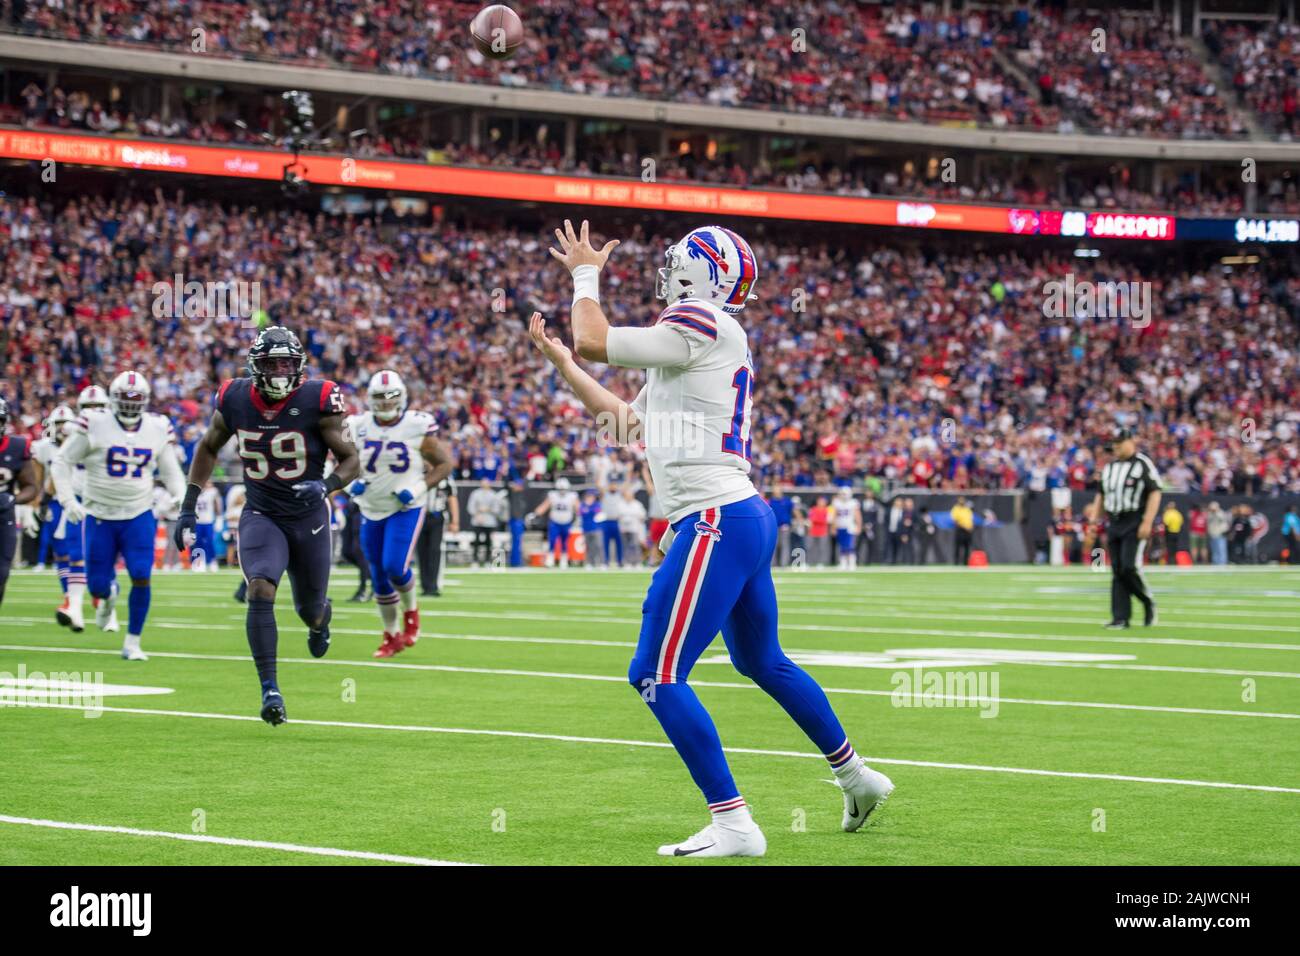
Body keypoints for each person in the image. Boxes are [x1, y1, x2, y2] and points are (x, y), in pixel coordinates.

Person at [529, 219, 891, 858]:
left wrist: (584, 276)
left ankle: (734, 824)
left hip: (715, 516)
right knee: (762, 661)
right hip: (739, 514)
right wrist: (562, 361)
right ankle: (856, 776)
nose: (665, 269)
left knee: (655, 674)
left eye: (677, 260)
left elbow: (594, 338)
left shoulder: (701, 322)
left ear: (701, 273)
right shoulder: (698, 338)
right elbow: (624, 421)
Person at [173, 327, 361, 723]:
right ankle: (270, 689)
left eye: (287, 363)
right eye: (272, 363)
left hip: (309, 516)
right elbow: (208, 446)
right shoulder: (236, 397)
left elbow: (351, 460)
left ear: (299, 367)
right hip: (262, 512)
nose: (279, 371)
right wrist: (188, 506)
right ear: (256, 367)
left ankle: (319, 621)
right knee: (259, 587)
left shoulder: (319, 397)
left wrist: (325, 486)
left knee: (309, 610)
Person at [53, 373, 186, 658]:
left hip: (139, 513)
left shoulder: (157, 427)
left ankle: (133, 642)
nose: (129, 404)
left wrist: (181, 497)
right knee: (98, 586)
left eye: (135, 398)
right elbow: (63, 460)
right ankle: (108, 597)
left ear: (145, 400)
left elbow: (170, 469)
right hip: (99, 513)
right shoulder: (94, 423)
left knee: (141, 573)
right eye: (125, 398)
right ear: (113, 399)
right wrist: (67, 500)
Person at [345, 370, 453, 658]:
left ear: (402, 396)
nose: (385, 402)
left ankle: (412, 613)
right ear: (370, 399)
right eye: (380, 397)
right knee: (378, 577)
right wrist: (347, 484)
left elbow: (444, 464)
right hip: (370, 506)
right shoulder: (356, 425)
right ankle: (390, 635)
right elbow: (341, 462)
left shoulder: (417, 425)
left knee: (394, 566)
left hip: (405, 507)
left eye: (391, 396)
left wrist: (418, 488)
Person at [1088, 427, 1162, 628]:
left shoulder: (1143, 464)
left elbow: (1155, 492)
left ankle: (1147, 601)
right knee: (1117, 569)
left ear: (1131, 442)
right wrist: (1094, 520)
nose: (1116, 447)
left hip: (1134, 520)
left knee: (1130, 566)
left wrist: (1147, 521)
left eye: (1120, 443)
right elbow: (1101, 495)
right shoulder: (1109, 468)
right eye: (1115, 443)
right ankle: (1120, 617)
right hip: (1114, 521)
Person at [0, 396, 41, 608]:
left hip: (3, 516)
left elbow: (31, 486)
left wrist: (12, 499)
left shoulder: (17, 446)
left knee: (2, 573)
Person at [418, 474, 457, 594]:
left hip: (437, 517)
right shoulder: (418, 475)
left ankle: (434, 585)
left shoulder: (445, 478)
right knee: (421, 552)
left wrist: (455, 521)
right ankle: (425, 586)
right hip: (420, 517)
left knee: (435, 551)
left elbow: (452, 498)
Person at [531, 476, 579, 568]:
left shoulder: (572, 496)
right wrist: (535, 514)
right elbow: (545, 506)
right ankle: (550, 559)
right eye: (560, 489)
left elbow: (578, 508)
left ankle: (564, 560)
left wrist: (580, 515)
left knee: (565, 542)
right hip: (555, 522)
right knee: (552, 541)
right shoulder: (553, 495)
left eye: (564, 489)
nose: (562, 491)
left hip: (567, 522)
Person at [467, 477, 502, 566]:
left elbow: (497, 509)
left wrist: (488, 509)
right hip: (477, 520)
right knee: (476, 541)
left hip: (489, 521)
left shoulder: (493, 494)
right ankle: (475, 560)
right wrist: (477, 515)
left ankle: (487, 560)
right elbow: (470, 507)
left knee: (488, 542)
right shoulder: (475, 493)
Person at [192, 480, 222, 572]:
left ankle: (212, 561)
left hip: (208, 521)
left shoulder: (212, 492)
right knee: (198, 543)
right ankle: (198, 562)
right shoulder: (194, 492)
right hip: (197, 521)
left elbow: (217, 505)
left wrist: (219, 518)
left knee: (209, 542)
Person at [617, 482, 648, 566]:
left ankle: (637, 562)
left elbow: (643, 516)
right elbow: (618, 515)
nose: (628, 497)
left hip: (634, 528)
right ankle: (627, 562)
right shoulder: (621, 504)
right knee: (625, 546)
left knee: (635, 546)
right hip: (624, 529)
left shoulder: (637, 504)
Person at [832, 487, 860, 568]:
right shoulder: (836, 502)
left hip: (849, 526)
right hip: (840, 525)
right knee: (842, 545)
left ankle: (852, 562)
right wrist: (833, 527)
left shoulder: (853, 502)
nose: (843, 496)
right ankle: (843, 563)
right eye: (842, 494)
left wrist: (858, 526)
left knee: (849, 545)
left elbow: (857, 515)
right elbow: (834, 515)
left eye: (844, 494)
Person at [579, 488, 603, 567]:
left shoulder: (597, 504)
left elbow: (598, 512)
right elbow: (581, 512)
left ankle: (600, 562)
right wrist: (588, 510)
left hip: (596, 528)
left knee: (598, 546)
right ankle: (590, 563)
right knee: (589, 547)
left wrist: (588, 510)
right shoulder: (583, 504)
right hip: (586, 528)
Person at [950, 496, 974, 566]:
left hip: (968, 530)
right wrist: (964, 527)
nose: (962, 502)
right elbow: (955, 521)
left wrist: (970, 527)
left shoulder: (967, 509)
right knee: (958, 546)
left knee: (967, 547)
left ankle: (966, 562)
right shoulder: (955, 509)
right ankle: (956, 562)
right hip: (960, 530)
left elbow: (970, 519)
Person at [1206, 501, 1229, 565]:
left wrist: (1216, 511)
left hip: (1220, 534)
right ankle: (1215, 563)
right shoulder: (1210, 514)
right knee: (1214, 550)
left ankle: (1222, 563)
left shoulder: (1221, 513)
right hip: (1212, 534)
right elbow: (1208, 522)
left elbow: (1222, 519)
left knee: (1221, 550)